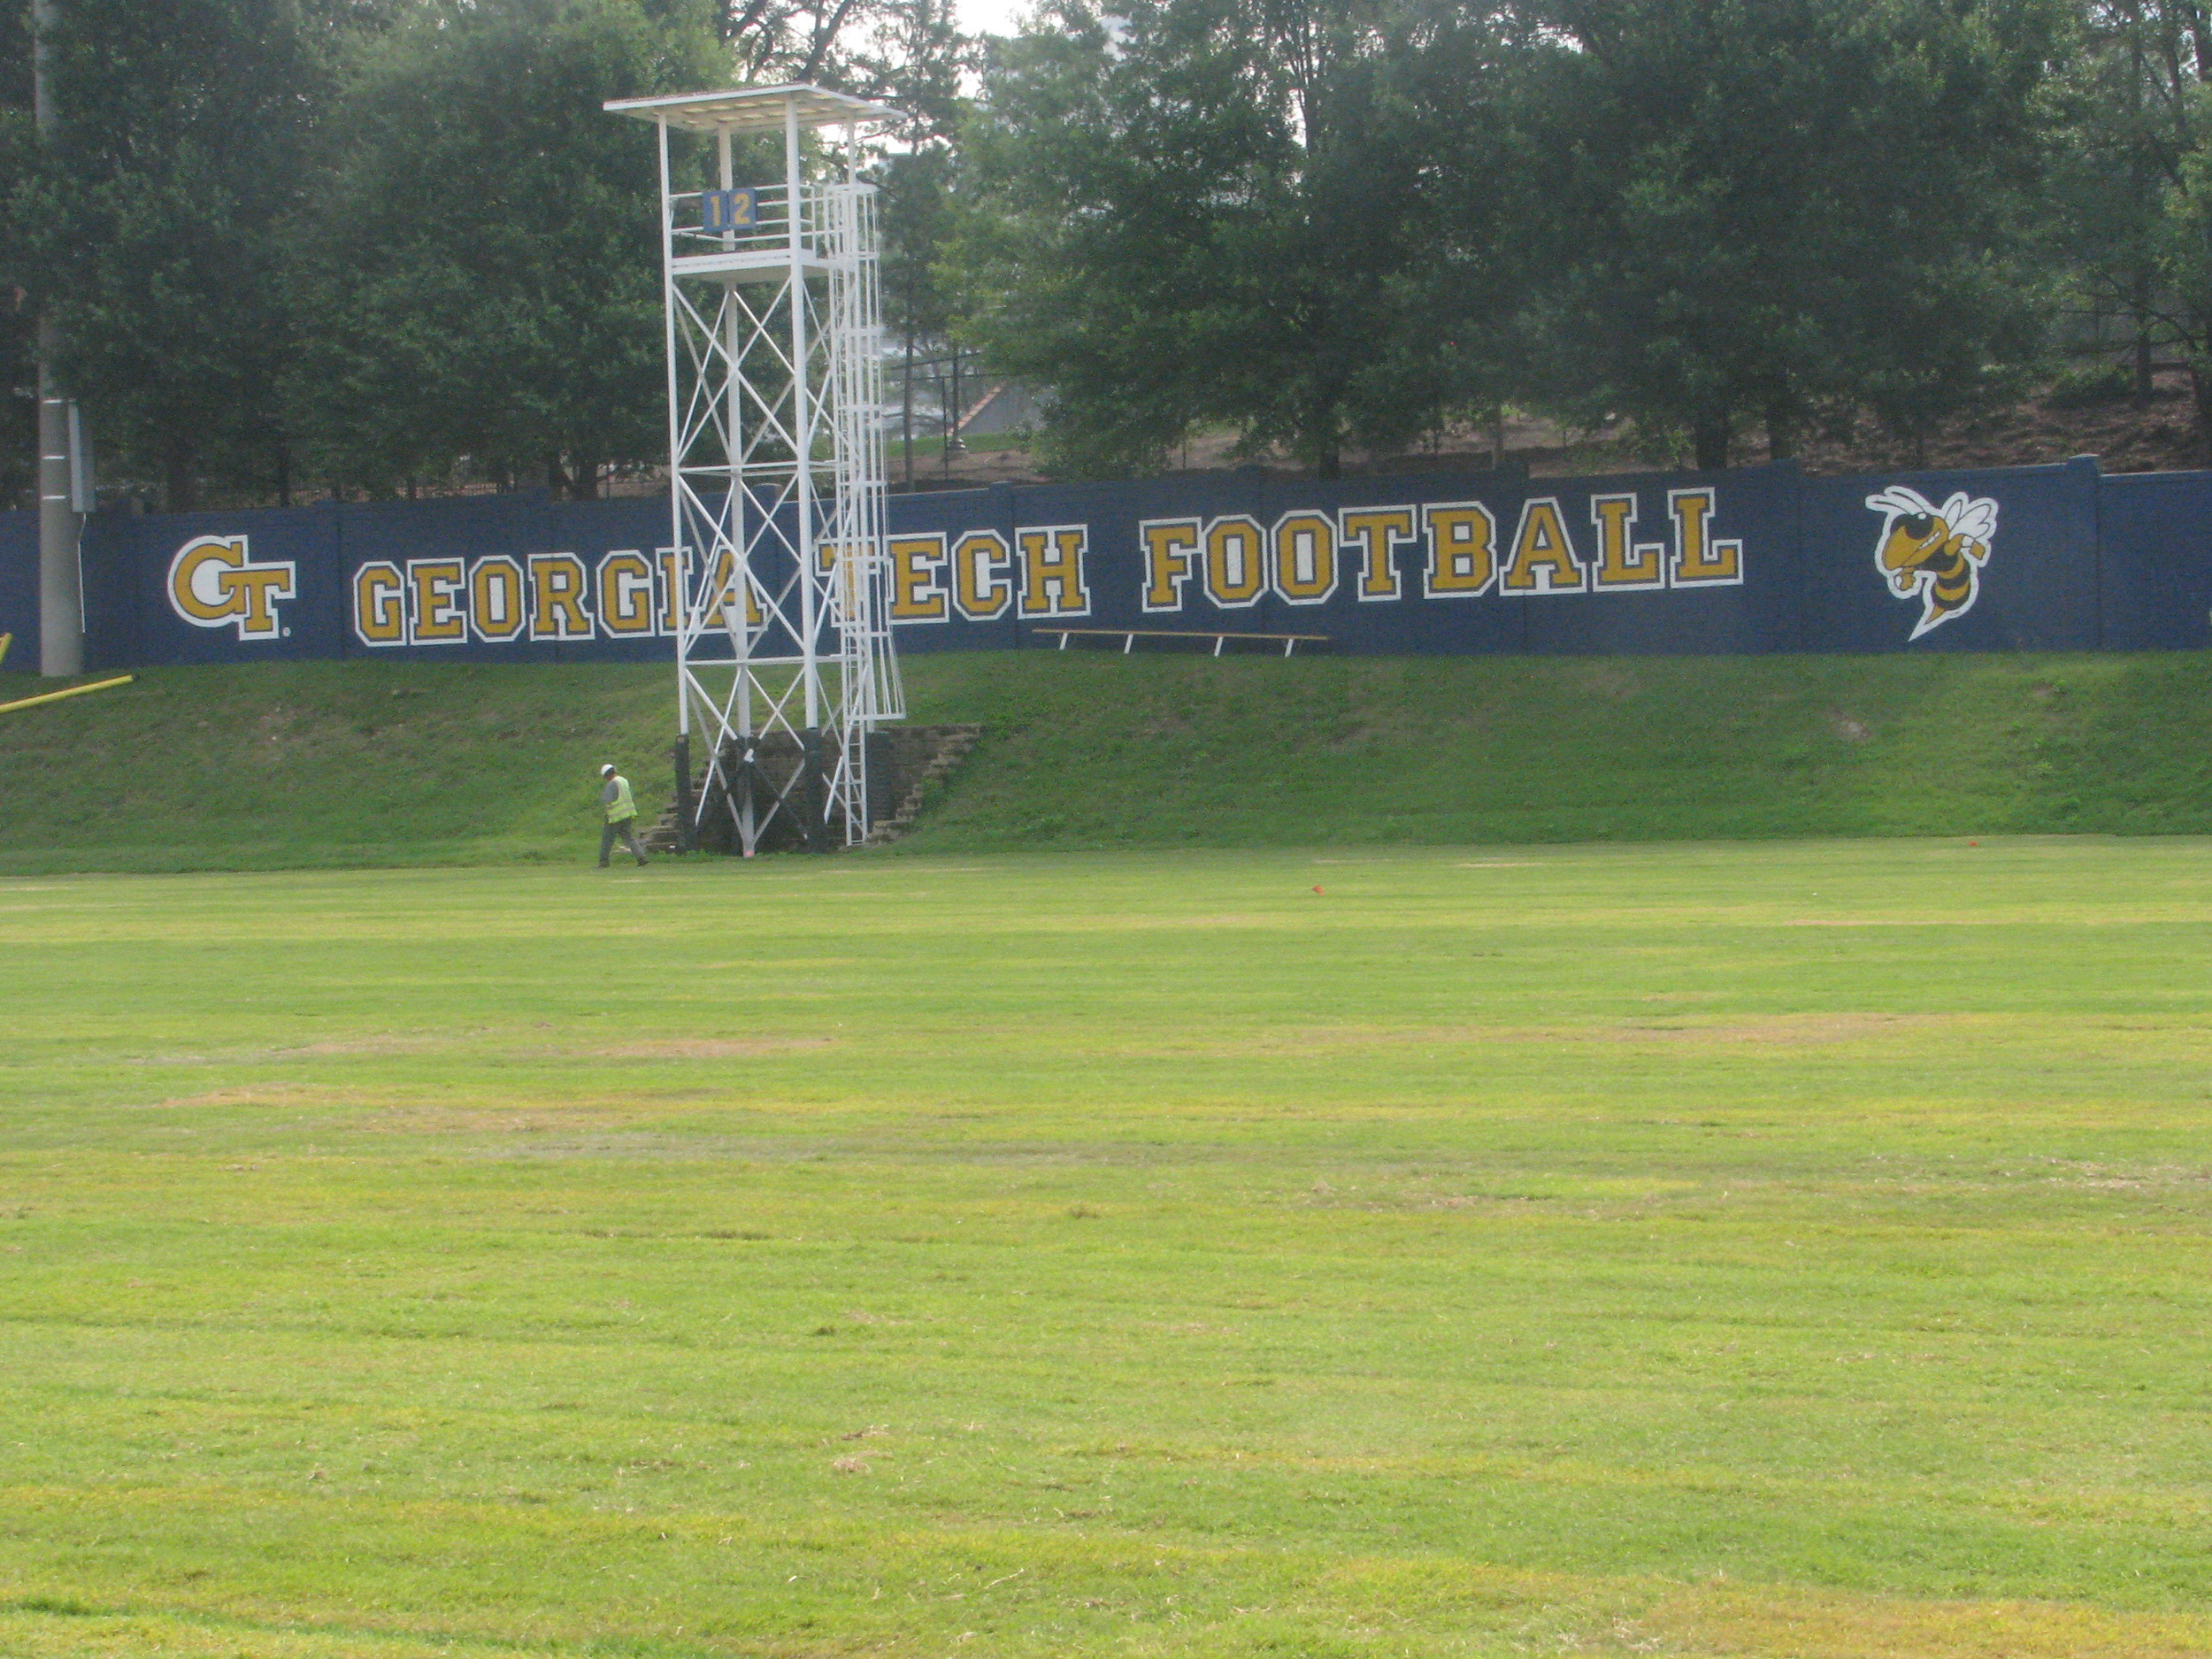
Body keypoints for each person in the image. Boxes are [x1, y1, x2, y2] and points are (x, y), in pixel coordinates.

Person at [597, 763, 648, 867]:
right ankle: (641, 857)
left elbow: (608, 799)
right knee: (628, 837)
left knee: (607, 839)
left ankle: (603, 862)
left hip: (615, 816)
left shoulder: (612, 783)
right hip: (628, 814)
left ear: (607, 775)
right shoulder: (623, 780)